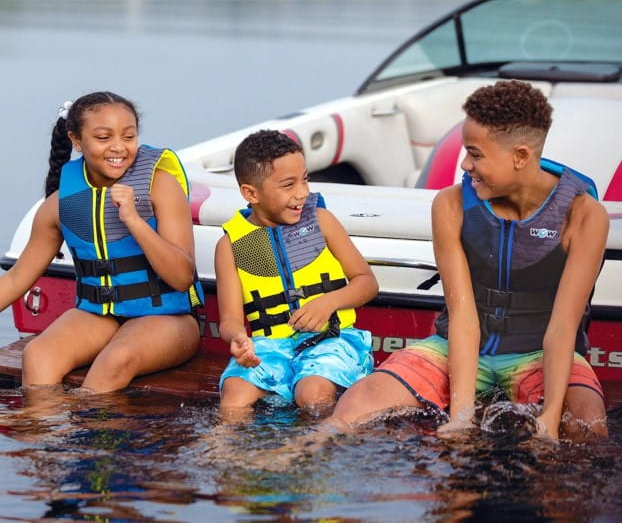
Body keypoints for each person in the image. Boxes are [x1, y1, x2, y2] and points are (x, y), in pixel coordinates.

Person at [327, 80, 609, 441]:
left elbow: (563, 326)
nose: (465, 164)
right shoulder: (451, 205)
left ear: (520, 156)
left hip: (540, 353)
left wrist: (550, 418)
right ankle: (292, 458)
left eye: (475, 154)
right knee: (354, 406)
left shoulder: (584, 216)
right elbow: (462, 315)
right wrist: (461, 416)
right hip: (454, 347)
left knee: (586, 425)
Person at [0, 91, 204, 394]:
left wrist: (134, 220)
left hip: (167, 318)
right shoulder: (59, 205)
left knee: (116, 358)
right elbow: (17, 278)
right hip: (98, 315)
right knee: (38, 355)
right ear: (76, 140)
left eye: (128, 136)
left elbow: (181, 277)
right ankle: (42, 424)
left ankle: (87, 423)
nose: (118, 147)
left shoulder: (160, 185)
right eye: (103, 137)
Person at [215, 129, 378, 414]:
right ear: (251, 193)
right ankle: (231, 444)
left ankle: (318, 441)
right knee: (234, 397)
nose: (302, 192)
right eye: (288, 185)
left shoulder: (322, 221)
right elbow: (229, 319)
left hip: (332, 339)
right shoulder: (230, 246)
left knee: (312, 394)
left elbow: (367, 283)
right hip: (269, 347)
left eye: (305, 179)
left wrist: (328, 302)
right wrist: (237, 339)